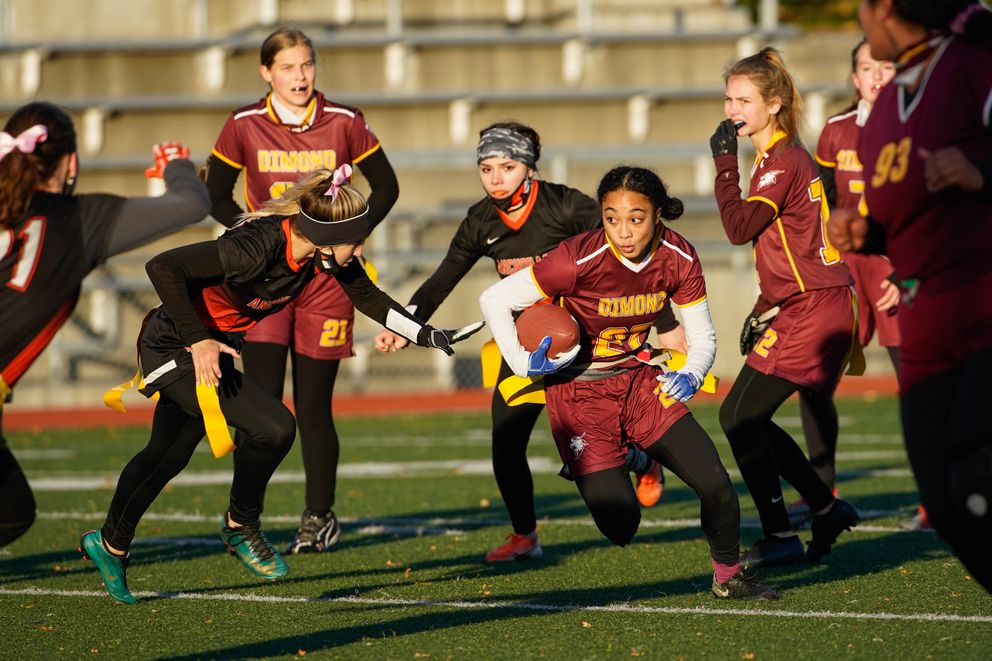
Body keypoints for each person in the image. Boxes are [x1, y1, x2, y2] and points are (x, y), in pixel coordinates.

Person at [79, 165, 481, 605]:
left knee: (167, 455)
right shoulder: (257, 247)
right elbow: (163, 266)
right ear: (327, 237)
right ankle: (240, 524)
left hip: (213, 348)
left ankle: (110, 543)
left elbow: (369, 298)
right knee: (274, 427)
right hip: (175, 343)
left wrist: (426, 334)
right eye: (358, 241)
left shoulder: (319, 252)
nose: (362, 248)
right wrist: (199, 342)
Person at [373, 123, 681, 562]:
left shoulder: (566, 206)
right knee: (506, 438)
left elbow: (633, 255)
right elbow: (442, 279)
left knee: (600, 436)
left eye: (508, 166)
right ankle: (525, 536)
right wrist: (406, 324)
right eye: (486, 168)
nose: (496, 177)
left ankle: (643, 461)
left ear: (530, 168)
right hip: (525, 348)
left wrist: (665, 318)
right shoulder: (481, 220)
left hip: (588, 342)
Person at [479, 165, 778, 600]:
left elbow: (704, 336)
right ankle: (639, 458)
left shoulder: (679, 256)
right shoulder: (576, 257)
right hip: (579, 393)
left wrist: (692, 373)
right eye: (611, 217)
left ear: (658, 217)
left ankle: (728, 577)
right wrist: (522, 363)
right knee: (621, 524)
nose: (622, 231)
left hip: (639, 382)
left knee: (715, 483)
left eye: (635, 218)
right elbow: (496, 298)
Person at [204, 27, 399, 554]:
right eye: (288, 67)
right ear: (266, 72)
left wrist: (351, 232)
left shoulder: (345, 121)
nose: (300, 76)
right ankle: (246, 520)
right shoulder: (243, 124)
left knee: (313, 407)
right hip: (266, 278)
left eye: (307, 65)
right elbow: (216, 193)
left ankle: (319, 516)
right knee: (259, 406)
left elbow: (387, 186)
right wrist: (245, 228)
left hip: (325, 281)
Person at [828, 0, 992, 592]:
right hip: (926, 322)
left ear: (885, 9)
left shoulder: (974, 63)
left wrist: (981, 171)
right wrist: (867, 235)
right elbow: (906, 221)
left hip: (982, 304)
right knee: (945, 503)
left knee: (977, 478)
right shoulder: (883, 109)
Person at [0, 101, 210, 548]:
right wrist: (178, 165)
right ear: (71, 163)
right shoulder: (77, 221)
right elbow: (191, 204)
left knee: (13, 509)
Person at [710, 47, 861, 570]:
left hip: (816, 306)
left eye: (743, 99)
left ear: (774, 104)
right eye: (728, 98)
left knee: (740, 416)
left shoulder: (784, 160)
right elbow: (784, 250)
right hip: (803, 303)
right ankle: (822, 509)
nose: (732, 110)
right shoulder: (777, 159)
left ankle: (785, 530)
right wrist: (763, 306)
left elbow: (739, 229)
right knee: (742, 416)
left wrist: (723, 166)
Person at [786, 38, 901, 526]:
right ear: (854, 78)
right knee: (814, 379)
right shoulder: (835, 132)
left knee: (918, 383)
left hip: (896, 268)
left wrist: (910, 266)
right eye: (866, 68)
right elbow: (825, 203)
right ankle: (820, 490)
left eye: (886, 66)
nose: (876, 76)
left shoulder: (921, 128)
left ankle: (935, 496)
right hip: (846, 269)